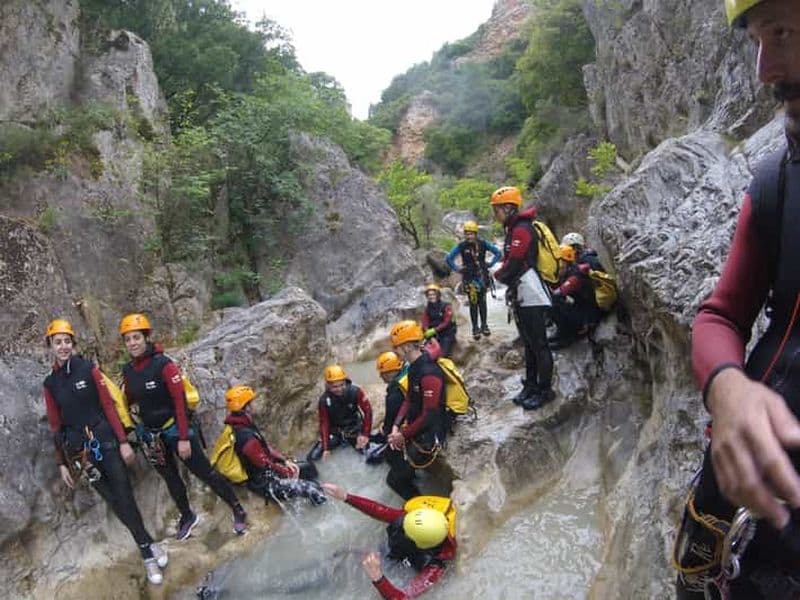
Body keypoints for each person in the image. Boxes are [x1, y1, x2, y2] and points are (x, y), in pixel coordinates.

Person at [674, 2, 800, 598]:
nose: (765, 68)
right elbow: (722, 313)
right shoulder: (777, 181)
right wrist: (727, 387)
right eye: (755, 41)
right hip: (742, 467)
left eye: (782, 32)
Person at [42, 319, 167, 585]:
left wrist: (123, 441)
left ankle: (146, 554)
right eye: (57, 342)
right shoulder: (50, 383)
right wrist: (61, 463)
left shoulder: (88, 369)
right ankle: (149, 544)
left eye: (66, 341)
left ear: (73, 344)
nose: (63, 346)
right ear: (51, 346)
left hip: (106, 440)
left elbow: (109, 406)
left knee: (124, 495)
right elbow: (55, 424)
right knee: (114, 500)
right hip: (81, 453)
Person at [119, 313, 248, 539]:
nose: (132, 343)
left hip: (174, 429)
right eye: (128, 339)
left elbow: (179, 399)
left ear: (146, 337)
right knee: (171, 478)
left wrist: (183, 437)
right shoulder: (129, 371)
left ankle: (237, 507)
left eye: (136, 337)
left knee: (204, 472)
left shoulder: (163, 364)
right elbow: (128, 399)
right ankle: (187, 515)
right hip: (152, 435)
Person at [321, 482, 456, 599]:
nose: (402, 527)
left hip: (397, 573)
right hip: (385, 556)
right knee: (332, 566)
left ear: (419, 542)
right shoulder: (412, 520)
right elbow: (379, 510)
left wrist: (378, 578)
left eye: (406, 531)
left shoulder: (434, 568)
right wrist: (346, 497)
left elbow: (404, 597)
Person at [490, 186, 555, 410]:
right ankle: (531, 385)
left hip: (531, 292)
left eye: (496, 210)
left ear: (508, 208)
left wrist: (497, 275)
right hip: (522, 292)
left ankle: (545, 390)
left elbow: (515, 263)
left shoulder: (522, 229)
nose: (495, 215)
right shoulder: (513, 229)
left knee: (539, 343)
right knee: (528, 343)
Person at [223, 385, 326, 506]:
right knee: (312, 490)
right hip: (265, 483)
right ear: (247, 408)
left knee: (309, 468)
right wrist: (287, 472)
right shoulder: (245, 437)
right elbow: (265, 464)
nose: (255, 404)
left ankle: (318, 489)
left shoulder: (244, 423)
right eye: (252, 402)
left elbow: (265, 447)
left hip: (269, 472)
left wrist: (285, 460)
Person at [386, 320, 447, 499]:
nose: (394, 352)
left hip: (431, 432)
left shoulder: (429, 372)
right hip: (417, 425)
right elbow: (409, 399)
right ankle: (411, 478)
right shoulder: (414, 367)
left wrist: (402, 435)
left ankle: (420, 505)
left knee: (393, 480)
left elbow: (429, 414)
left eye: (396, 348)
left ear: (406, 347)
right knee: (390, 455)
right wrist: (396, 426)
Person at [446, 221, 502, 340]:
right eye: (467, 234)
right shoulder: (461, 246)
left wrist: (490, 263)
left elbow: (498, 253)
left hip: (482, 277)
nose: (469, 236)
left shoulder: (483, 243)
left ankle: (484, 326)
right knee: (473, 303)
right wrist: (457, 268)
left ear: (475, 234)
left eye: (471, 234)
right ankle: (475, 328)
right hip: (469, 278)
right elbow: (449, 258)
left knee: (482, 302)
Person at [307, 365, 373, 462]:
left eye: (342, 385)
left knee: (368, 456)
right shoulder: (324, 400)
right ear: (328, 385)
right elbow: (324, 423)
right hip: (336, 432)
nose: (339, 389)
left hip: (353, 429)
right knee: (312, 458)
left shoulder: (355, 391)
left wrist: (365, 434)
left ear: (345, 381)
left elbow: (368, 411)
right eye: (335, 387)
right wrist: (326, 448)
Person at [548, 244, 602, 350]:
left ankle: (568, 336)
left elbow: (559, 293)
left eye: (559, 262)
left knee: (554, 303)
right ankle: (562, 332)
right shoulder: (571, 271)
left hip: (588, 316)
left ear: (566, 261)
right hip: (584, 310)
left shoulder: (575, 276)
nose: (558, 265)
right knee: (556, 302)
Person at [420, 284, 457, 358]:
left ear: (438, 295)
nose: (431, 297)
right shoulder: (428, 308)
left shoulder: (446, 306)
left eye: (433, 294)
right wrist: (427, 330)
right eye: (429, 295)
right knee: (424, 351)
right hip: (434, 334)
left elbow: (447, 321)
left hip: (446, 334)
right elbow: (425, 320)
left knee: (443, 354)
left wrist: (435, 330)